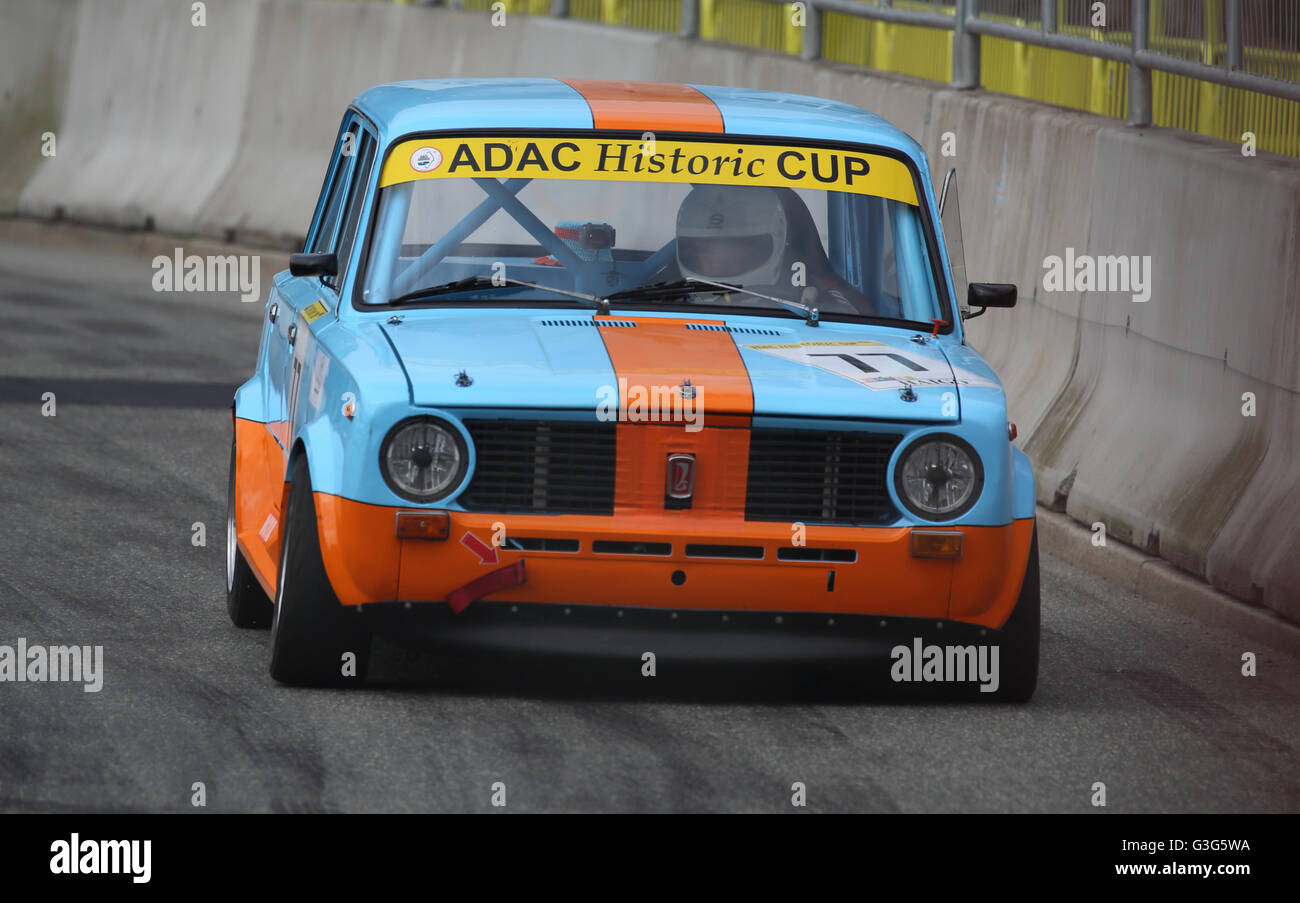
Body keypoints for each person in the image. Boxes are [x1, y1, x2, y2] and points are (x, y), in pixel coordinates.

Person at [673, 184, 878, 315]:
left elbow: (867, 327)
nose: (710, 259)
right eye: (701, 246)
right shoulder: (656, 296)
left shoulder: (823, 298)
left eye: (731, 246)